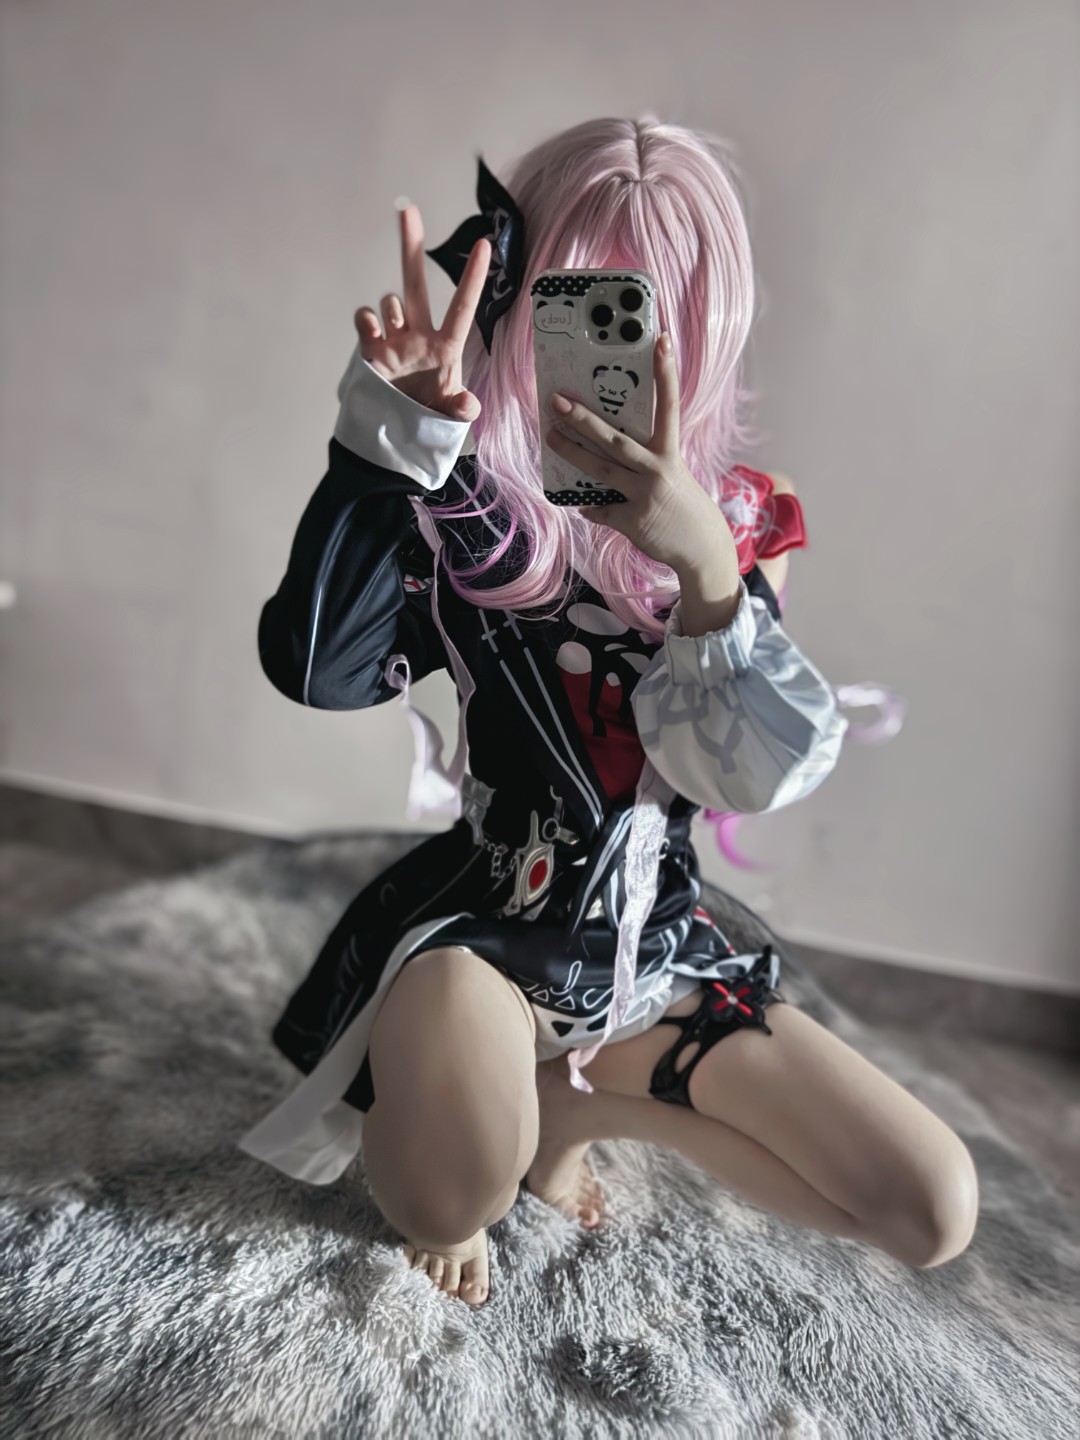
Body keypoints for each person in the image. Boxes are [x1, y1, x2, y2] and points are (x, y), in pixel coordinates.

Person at [238, 116, 979, 1308]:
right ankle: (494, 1125)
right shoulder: (457, 493)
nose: (614, 348)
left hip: (654, 954)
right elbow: (324, 672)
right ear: (524, 294)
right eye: (579, 301)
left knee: (930, 1206)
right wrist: (387, 450)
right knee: (451, 1195)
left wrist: (707, 570)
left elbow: (741, 775)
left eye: (652, 309)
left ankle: (580, 1109)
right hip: (484, 944)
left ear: (709, 319)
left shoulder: (748, 516)